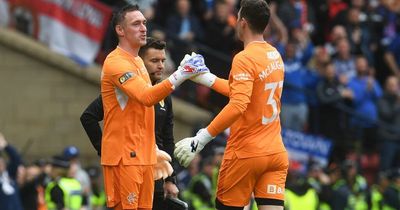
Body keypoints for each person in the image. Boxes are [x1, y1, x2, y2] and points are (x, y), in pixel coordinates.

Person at [174, 1, 289, 209]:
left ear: (243, 23)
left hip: (245, 154)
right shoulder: (275, 55)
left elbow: (238, 104)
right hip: (275, 153)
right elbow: (245, 93)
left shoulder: (244, 58)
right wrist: (206, 78)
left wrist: (200, 139)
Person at [98, 4, 208, 210]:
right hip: (124, 159)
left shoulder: (138, 62)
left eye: (144, 23)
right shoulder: (115, 63)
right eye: (136, 24)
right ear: (120, 30)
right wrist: (181, 74)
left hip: (144, 158)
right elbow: (146, 97)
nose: (143, 28)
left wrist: (154, 153)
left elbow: (146, 114)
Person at [80, 37, 179, 209]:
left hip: (155, 173)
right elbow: (88, 117)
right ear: (140, 62)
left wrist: (170, 179)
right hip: (129, 165)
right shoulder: (124, 92)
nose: (161, 66)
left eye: (163, 60)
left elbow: (168, 138)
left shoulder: (164, 96)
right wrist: (105, 150)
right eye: (154, 60)